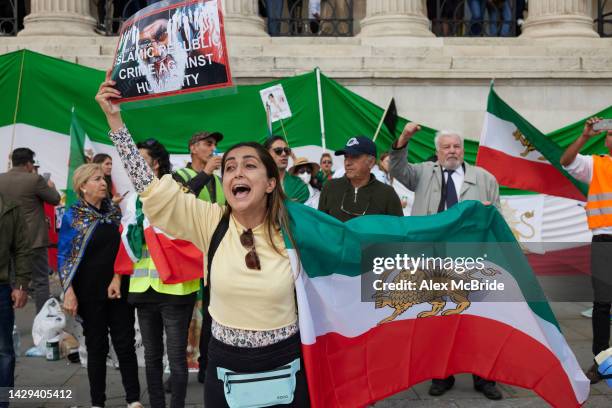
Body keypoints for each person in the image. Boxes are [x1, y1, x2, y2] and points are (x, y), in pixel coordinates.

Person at [95, 73, 310, 407]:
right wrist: (115, 119)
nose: (237, 172)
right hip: (225, 368)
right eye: (231, 167)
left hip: (285, 365)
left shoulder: (297, 229)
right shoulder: (210, 221)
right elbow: (149, 188)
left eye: (249, 166)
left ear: (270, 183)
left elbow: (354, 254)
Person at [389, 122, 502, 400]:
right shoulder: (423, 173)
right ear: (437, 152)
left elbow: (496, 219)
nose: (452, 151)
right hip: (432, 260)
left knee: (478, 321)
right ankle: (441, 375)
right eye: (446, 147)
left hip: (471, 260)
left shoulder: (485, 178)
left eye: (456, 146)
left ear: (463, 150)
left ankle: (484, 377)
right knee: (438, 319)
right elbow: (397, 168)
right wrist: (403, 138)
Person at [114, 138, 200, 408]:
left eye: (140, 159)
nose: (134, 165)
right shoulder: (130, 201)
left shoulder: (176, 191)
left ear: (156, 163)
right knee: (151, 357)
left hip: (175, 287)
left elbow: (185, 232)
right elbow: (127, 245)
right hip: (143, 288)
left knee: (176, 358)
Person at [57, 163, 142, 408]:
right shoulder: (74, 216)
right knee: (96, 346)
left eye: (104, 178)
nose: (103, 183)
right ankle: (97, 402)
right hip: (88, 292)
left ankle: (133, 399)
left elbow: (124, 250)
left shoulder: (114, 214)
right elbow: (65, 257)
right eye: (96, 179)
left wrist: (119, 277)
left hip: (117, 289)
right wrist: (69, 291)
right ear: (83, 186)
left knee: (125, 344)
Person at [560, 117, 612, 384]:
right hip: (605, 241)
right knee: (603, 305)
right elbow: (566, 161)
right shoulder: (597, 163)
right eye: (611, 134)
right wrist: (584, 136)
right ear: (606, 139)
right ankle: (602, 363)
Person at [173, 131, 226, 387]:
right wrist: (205, 173)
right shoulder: (179, 175)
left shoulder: (218, 180)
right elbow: (179, 200)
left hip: (212, 258)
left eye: (215, 144)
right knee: (182, 320)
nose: (213, 148)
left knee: (210, 316)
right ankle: (178, 371)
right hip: (184, 258)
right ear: (193, 148)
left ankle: (206, 367)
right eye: (208, 144)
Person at [0, 148, 61, 313]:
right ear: (28, 163)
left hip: (7, 239)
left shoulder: (1, 179)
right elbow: (55, 199)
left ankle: (9, 320)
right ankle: (43, 320)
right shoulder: (35, 180)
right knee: (40, 281)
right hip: (32, 239)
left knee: (11, 281)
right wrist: (51, 186)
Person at [318, 136, 403, 222]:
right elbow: (319, 225)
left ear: (371, 162)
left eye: (354, 157)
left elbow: (398, 230)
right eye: (346, 157)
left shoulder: (387, 194)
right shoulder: (330, 187)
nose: (347, 162)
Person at [0, 193, 31, 408]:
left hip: (1, 287)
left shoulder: (10, 206)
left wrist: (21, 285)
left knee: (4, 351)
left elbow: (21, 248)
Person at [264, 136, 310, 204]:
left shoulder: (299, 185)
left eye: (287, 150)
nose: (284, 154)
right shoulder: (257, 182)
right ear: (266, 154)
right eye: (278, 151)